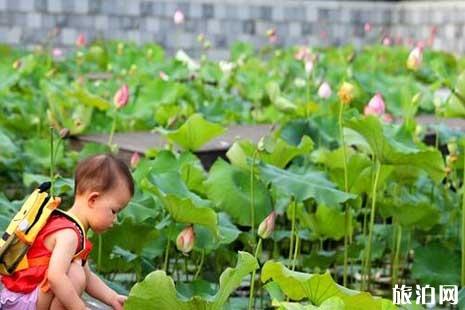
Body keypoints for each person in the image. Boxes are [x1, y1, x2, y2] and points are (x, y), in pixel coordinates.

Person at [0, 154, 134, 310]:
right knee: (75, 274)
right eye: (114, 211)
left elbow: (89, 277)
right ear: (93, 200)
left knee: (79, 271)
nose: (115, 219)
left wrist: (112, 298)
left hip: (23, 296)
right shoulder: (68, 234)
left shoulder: (66, 223)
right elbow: (55, 277)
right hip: (21, 301)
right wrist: (80, 308)